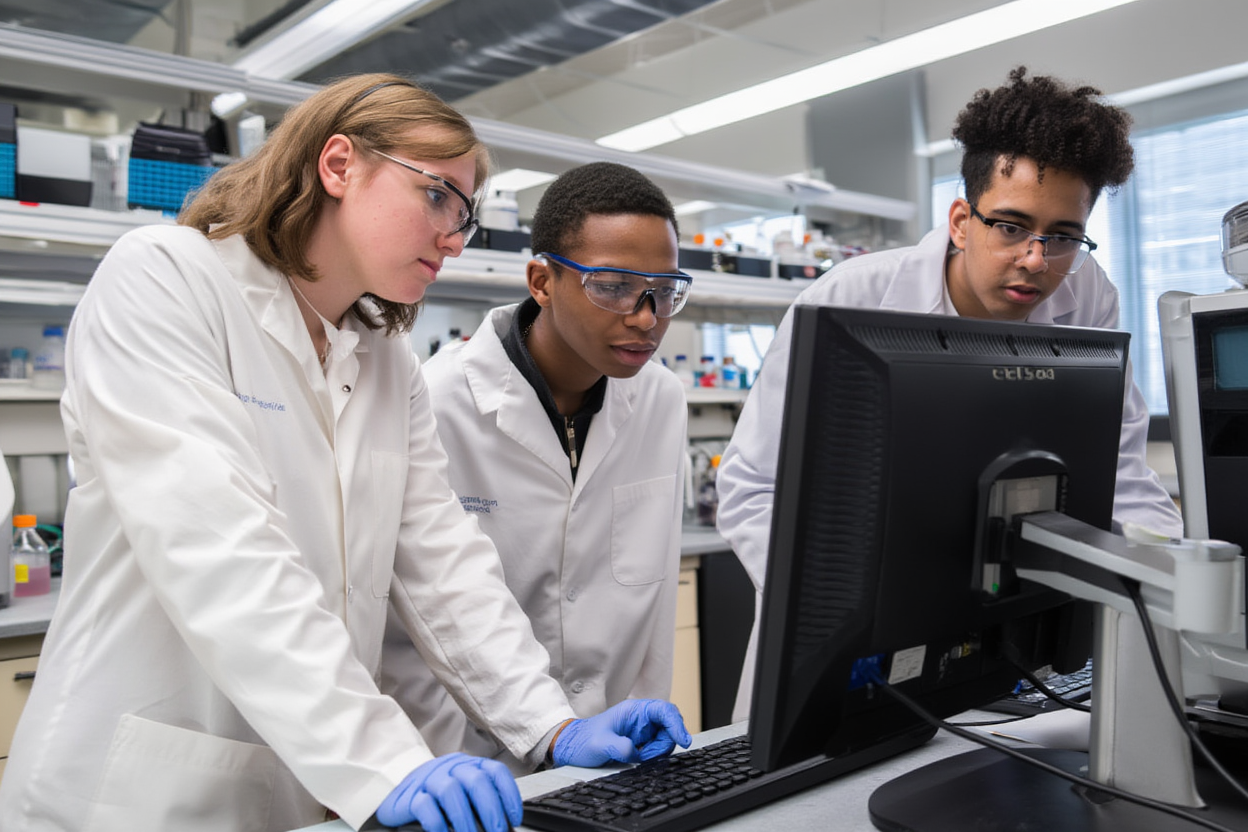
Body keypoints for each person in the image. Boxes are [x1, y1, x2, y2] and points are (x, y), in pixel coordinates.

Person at [0, 74, 689, 832]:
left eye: (466, 215)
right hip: (133, 789)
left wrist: (549, 726)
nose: (454, 237)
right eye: (438, 198)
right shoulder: (166, 278)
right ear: (338, 165)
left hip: (299, 786)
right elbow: (224, 554)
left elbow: (443, 564)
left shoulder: (385, 357)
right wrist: (387, 759)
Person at [716, 66, 1184, 721]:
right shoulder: (852, 300)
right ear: (962, 219)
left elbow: (1120, 473)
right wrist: (842, 605)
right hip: (847, 648)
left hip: (1011, 652)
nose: (1036, 259)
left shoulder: (1086, 295)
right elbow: (750, 486)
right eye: (1012, 226)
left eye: (1064, 236)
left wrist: (1170, 585)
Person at [379, 161, 691, 771]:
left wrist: (647, 726)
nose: (646, 316)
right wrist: (434, 760)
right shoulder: (438, 403)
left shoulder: (660, 399)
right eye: (614, 285)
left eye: (664, 290)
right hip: (462, 758)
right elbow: (417, 616)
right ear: (542, 281)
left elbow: (651, 601)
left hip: (613, 750)